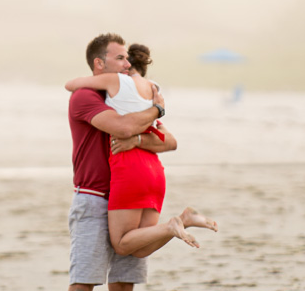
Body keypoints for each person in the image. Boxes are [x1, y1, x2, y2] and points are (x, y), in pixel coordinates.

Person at [54, 34, 212, 291]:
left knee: (122, 290)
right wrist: (155, 111)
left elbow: (167, 141)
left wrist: (141, 137)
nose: (127, 65)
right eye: (120, 59)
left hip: (130, 198)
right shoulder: (86, 97)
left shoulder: (125, 96)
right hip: (94, 199)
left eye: (128, 59)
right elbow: (124, 128)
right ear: (99, 64)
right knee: (81, 288)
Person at [64, 42, 217, 257]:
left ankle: (172, 225)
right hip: (154, 171)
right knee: (140, 248)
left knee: (122, 244)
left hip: (129, 168)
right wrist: (147, 125)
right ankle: (183, 220)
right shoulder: (154, 89)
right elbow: (171, 142)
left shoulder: (117, 82)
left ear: (127, 66)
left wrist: (98, 83)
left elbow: (71, 84)